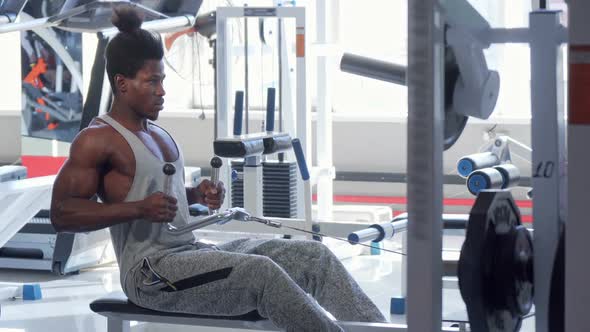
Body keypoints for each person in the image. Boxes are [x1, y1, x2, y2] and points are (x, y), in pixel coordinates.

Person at [50, 6, 386, 332]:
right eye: (152, 82)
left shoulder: (157, 133)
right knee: (261, 274)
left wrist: (195, 195)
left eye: (162, 80)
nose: (162, 90)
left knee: (314, 256)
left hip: (192, 251)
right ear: (122, 84)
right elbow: (62, 214)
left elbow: (159, 197)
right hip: (150, 273)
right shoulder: (97, 139)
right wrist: (138, 208)